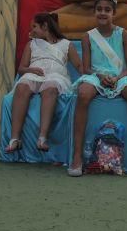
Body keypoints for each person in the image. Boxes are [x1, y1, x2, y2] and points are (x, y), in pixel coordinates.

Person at [67, 0, 127, 176]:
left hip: (120, 76)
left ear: (113, 13)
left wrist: (117, 78)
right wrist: (99, 76)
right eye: (99, 9)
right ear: (94, 12)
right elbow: (86, 68)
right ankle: (76, 157)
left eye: (107, 9)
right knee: (83, 93)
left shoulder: (125, 35)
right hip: (95, 76)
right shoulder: (87, 36)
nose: (103, 13)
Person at [6, 12, 80, 154]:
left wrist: (92, 76)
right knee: (21, 87)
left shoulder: (66, 45)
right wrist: (30, 69)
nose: (31, 30)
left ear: (45, 26)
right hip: (33, 75)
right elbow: (21, 68)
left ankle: (42, 138)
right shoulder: (31, 44)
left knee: (51, 88)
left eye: (34, 26)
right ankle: (15, 139)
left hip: (56, 76)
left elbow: (79, 66)